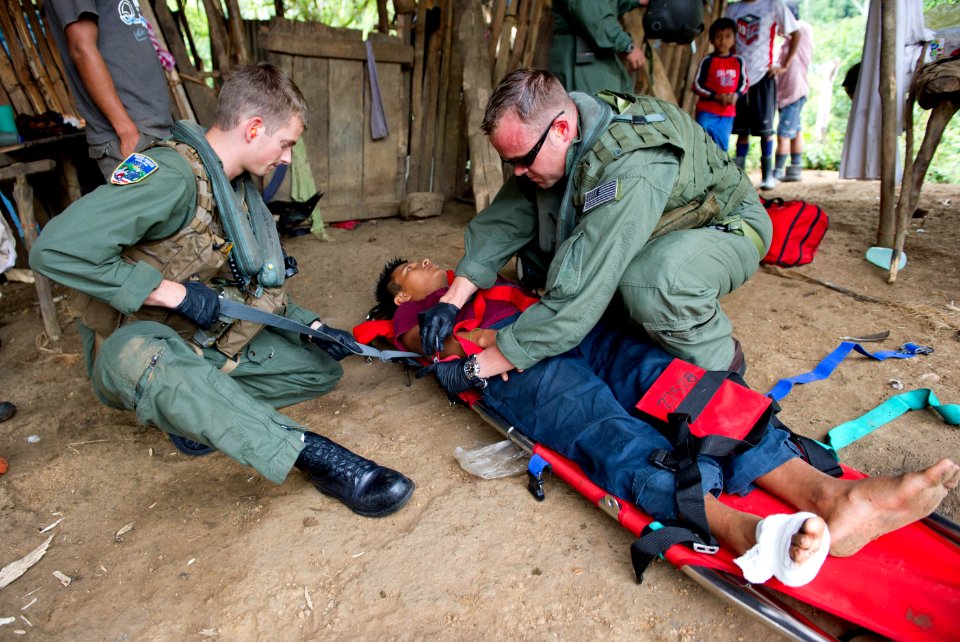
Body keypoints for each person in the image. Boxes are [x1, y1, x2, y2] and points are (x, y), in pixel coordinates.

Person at [376, 256, 960, 587]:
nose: (424, 263)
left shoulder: (484, 276)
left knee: (677, 386)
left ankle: (831, 495)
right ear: (399, 292)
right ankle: (735, 528)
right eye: (408, 268)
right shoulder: (415, 314)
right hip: (510, 364)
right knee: (600, 425)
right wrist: (451, 329)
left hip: (573, 330)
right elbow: (414, 342)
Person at [30, 64, 414, 519]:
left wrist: (312, 327)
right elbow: (54, 249)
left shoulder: (232, 190)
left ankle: (201, 417)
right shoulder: (170, 177)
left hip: (195, 339)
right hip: (133, 347)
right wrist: (167, 293)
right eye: (286, 143)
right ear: (254, 128)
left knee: (318, 371)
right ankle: (316, 457)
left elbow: (244, 284)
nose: (287, 157)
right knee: (158, 362)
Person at [417, 68, 770, 392]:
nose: (518, 171)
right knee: (546, 236)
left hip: (725, 226)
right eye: (510, 163)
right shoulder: (559, 132)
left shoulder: (634, 164)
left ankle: (724, 368)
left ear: (561, 129)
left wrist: (477, 368)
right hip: (652, 218)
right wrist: (451, 302)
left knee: (653, 281)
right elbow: (504, 220)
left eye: (523, 160)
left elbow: (580, 291)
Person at [45, 0, 174, 181]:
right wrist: (127, 133)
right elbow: (81, 48)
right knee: (155, 206)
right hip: (131, 137)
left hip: (151, 128)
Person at [725, 0, 799, 190]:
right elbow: (725, 39)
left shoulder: (773, 5)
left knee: (765, 131)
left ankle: (767, 176)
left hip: (764, 75)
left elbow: (795, 33)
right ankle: (739, 177)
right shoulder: (732, 9)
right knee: (741, 131)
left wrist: (784, 65)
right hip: (739, 77)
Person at [548, 0, 647, 95]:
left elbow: (605, 5)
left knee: (618, 103)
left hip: (594, 53)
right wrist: (627, 46)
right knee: (599, 107)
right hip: (582, 54)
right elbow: (594, 16)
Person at [693, 18, 749, 152]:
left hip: (727, 114)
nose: (723, 41)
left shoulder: (738, 61)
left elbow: (745, 83)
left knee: (721, 150)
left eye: (728, 36)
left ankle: (719, 173)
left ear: (734, 39)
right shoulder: (707, 61)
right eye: (718, 37)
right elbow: (696, 85)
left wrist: (736, 95)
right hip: (706, 112)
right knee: (701, 146)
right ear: (712, 40)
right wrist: (717, 97)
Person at [773, 4, 813, 182]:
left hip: (794, 93)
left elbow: (792, 29)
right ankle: (795, 169)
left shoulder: (802, 30)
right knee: (795, 130)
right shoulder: (786, 46)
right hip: (786, 95)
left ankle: (777, 171)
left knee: (783, 134)